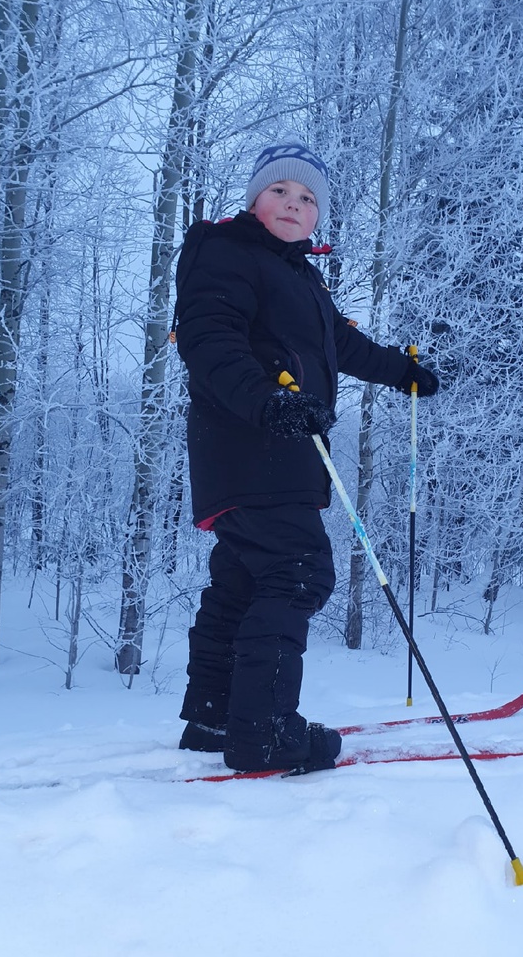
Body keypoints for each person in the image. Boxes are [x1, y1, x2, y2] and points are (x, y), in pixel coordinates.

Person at [172, 139, 439, 774]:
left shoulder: (299, 278)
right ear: (255, 200)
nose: (293, 204)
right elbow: (209, 341)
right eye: (280, 192)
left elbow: (340, 346)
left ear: (319, 215)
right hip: (253, 446)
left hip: (266, 457)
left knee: (244, 581)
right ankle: (263, 732)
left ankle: (215, 715)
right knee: (299, 571)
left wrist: (404, 372)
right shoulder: (227, 254)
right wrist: (268, 402)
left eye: (307, 197)